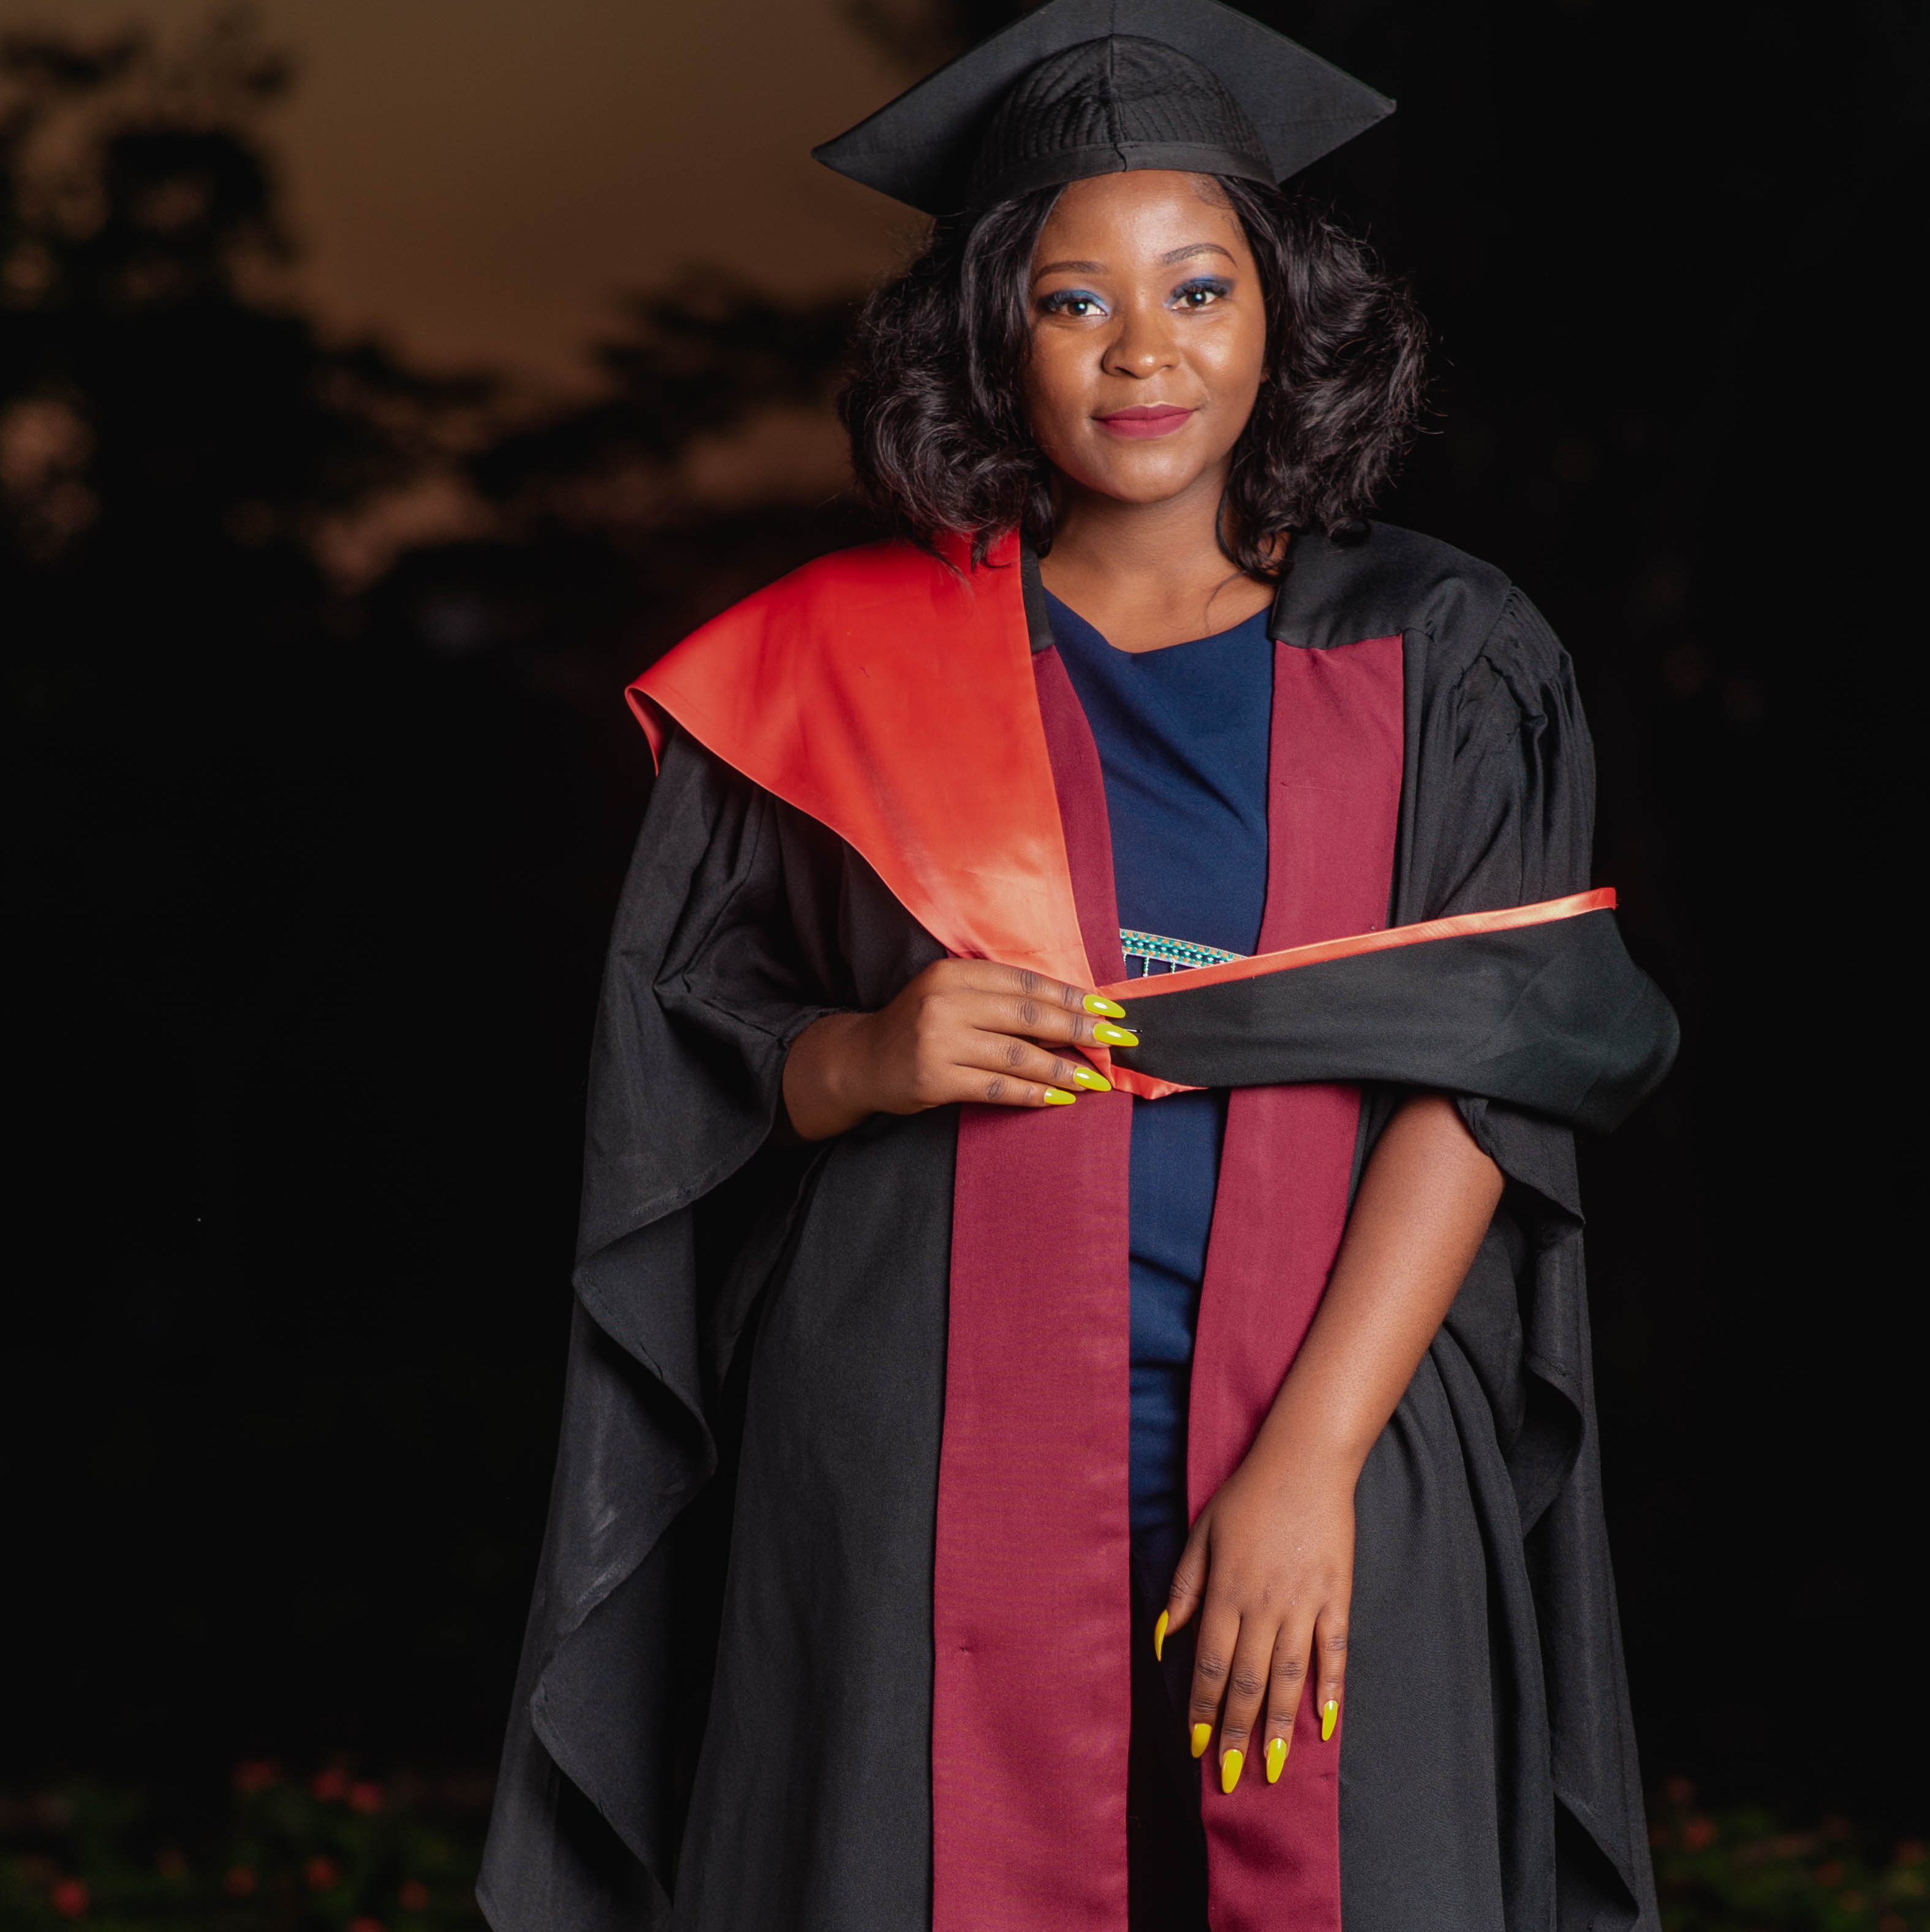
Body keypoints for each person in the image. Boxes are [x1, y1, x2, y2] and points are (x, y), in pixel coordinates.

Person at [479, 4, 1677, 1928]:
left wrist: (1309, 1469)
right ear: (990, 335)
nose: (1145, 351)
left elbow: (1489, 1073)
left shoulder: (1451, 656)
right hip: (908, 1477)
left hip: (1342, 1452)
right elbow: (681, 1046)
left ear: (1282, 312)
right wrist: (864, 1056)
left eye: (1200, 287)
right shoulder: (838, 669)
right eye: (1072, 300)